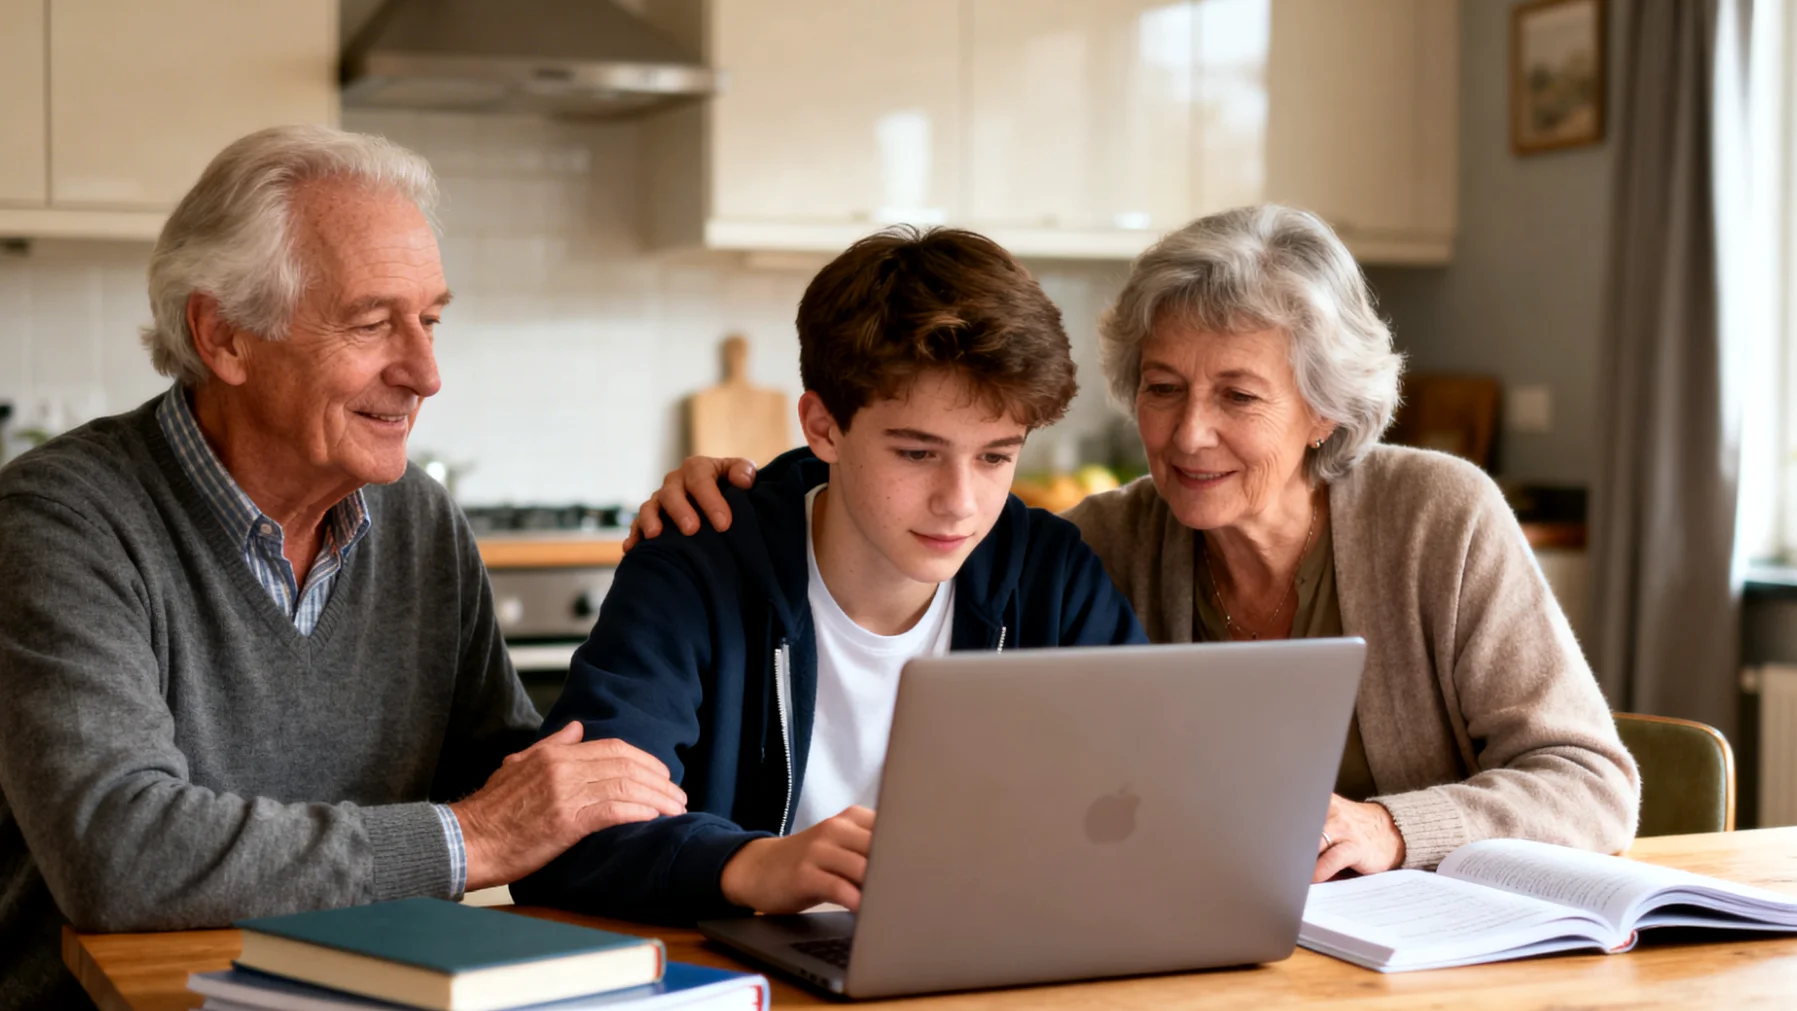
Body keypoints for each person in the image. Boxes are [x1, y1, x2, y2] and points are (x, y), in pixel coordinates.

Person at [630, 204, 1641, 886]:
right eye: (1162, 388)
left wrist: (1387, 829)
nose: (1187, 433)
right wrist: (756, 493)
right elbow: (905, 499)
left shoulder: (1438, 519)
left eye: (1237, 395)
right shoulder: (1099, 545)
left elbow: (1593, 786)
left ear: (1324, 411)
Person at [0, 126, 685, 1011]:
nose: (426, 372)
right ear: (225, 336)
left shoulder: (418, 520)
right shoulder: (61, 520)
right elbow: (119, 853)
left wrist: (721, 563)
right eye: (372, 323)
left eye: (431, 320)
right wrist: (469, 838)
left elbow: (519, 781)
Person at [511, 228, 1146, 923]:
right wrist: (752, 865)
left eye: (996, 457)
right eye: (916, 452)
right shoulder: (696, 561)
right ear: (823, 426)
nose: (960, 502)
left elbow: (1150, 802)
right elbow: (566, 840)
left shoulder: (1052, 574)